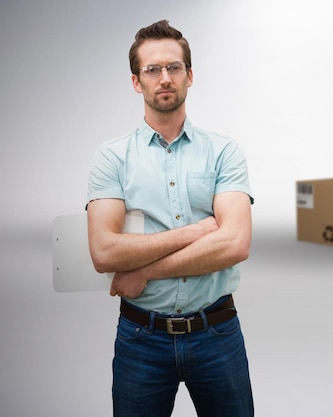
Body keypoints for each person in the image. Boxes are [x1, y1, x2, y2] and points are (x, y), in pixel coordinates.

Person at [86, 20, 254, 417]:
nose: (165, 78)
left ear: (189, 76)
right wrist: (199, 229)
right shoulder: (112, 158)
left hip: (217, 333)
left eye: (174, 67)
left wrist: (145, 271)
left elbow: (234, 243)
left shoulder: (224, 152)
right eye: (152, 69)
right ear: (135, 81)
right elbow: (104, 251)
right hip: (141, 338)